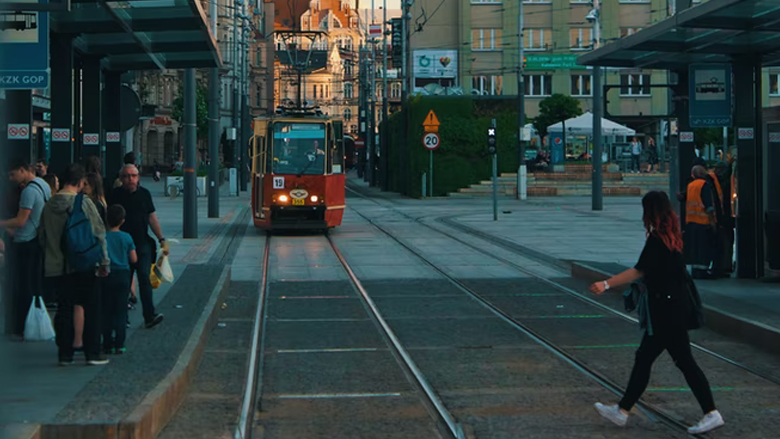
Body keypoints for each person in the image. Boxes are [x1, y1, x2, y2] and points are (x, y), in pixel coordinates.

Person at [590, 191, 724, 435]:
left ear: (650, 211)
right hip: (673, 310)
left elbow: (638, 270)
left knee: (662, 361)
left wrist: (606, 284)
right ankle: (622, 410)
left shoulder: (657, 239)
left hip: (665, 314)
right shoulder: (672, 237)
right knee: (660, 360)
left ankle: (710, 412)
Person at [39, 163, 110, 366]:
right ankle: (93, 352)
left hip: (56, 266)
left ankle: (65, 353)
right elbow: (98, 233)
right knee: (91, 307)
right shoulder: (84, 203)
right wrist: (104, 261)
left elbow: (42, 236)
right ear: (80, 182)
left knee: (64, 309)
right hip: (83, 264)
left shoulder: (49, 205)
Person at [110, 164, 166, 329]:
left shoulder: (144, 194)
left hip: (142, 244)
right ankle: (122, 318)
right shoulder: (115, 195)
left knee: (145, 280)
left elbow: (152, 217)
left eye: (133, 176)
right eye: (127, 176)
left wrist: (161, 238)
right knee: (123, 283)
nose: (130, 179)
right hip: (122, 246)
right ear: (121, 179)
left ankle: (149, 315)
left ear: (138, 177)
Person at [1, 160, 51, 336]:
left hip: (25, 241)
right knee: (32, 284)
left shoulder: (28, 192)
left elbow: (21, 220)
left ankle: (20, 326)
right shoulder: (43, 185)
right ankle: (30, 325)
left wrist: (2, 223)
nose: (11, 179)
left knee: (21, 286)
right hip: (37, 240)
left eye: (13, 174)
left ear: (23, 170)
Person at [102, 205, 137, 355]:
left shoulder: (102, 236)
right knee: (121, 310)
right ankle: (120, 344)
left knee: (107, 310)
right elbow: (133, 258)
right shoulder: (127, 237)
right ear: (122, 221)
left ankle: (108, 343)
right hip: (123, 275)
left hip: (107, 274)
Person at [683, 165, 719, 279]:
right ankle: (703, 271)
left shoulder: (690, 186)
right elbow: (708, 205)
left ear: (693, 175)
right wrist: (713, 221)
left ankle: (695, 270)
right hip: (703, 222)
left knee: (694, 248)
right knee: (704, 249)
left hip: (691, 222)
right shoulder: (705, 185)